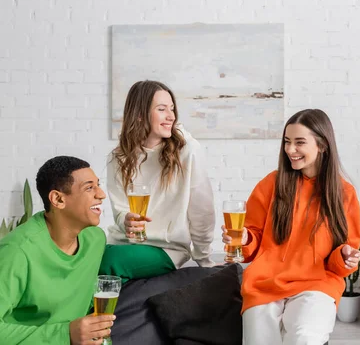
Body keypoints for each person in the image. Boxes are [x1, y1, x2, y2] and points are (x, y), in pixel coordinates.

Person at [222, 109, 360, 345]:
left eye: (299, 143)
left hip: (317, 284)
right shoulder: (270, 184)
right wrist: (245, 238)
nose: (290, 150)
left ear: (322, 145)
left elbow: (343, 255)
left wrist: (346, 256)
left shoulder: (344, 193)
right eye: (287, 142)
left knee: (303, 338)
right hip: (265, 284)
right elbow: (253, 242)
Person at [102, 80, 215, 282]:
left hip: (166, 249)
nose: (171, 116)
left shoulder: (187, 151)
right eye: (162, 109)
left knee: (109, 261)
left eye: (171, 109)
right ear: (139, 114)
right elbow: (119, 209)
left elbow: (202, 210)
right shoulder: (118, 157)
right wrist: (124, 220)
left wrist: (204, 257)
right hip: (123, 244)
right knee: (86, 251)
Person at [0, 156, 114, 345]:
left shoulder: (95, 239)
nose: (101, 194)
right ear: (58, 199)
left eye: (98, 185)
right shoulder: (17, 251)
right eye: (89, 187)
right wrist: (65, 334)